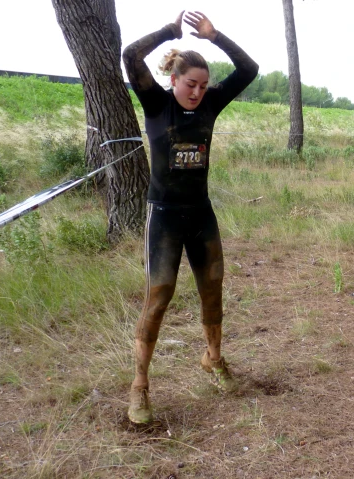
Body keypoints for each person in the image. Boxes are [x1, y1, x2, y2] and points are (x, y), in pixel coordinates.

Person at [121, 11, 259, 425]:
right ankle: (140, 386)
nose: (197, 92)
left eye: (202, 85)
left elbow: (249, 69)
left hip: (201, 214)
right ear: (173, 81)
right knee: (158, 299)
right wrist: (168, 31)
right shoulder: (156, 103)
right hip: (163, 218)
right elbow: (130, 55)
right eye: (190, 84)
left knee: (213, 289)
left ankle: (213, 359)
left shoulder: (212, 103)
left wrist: (215, 36)